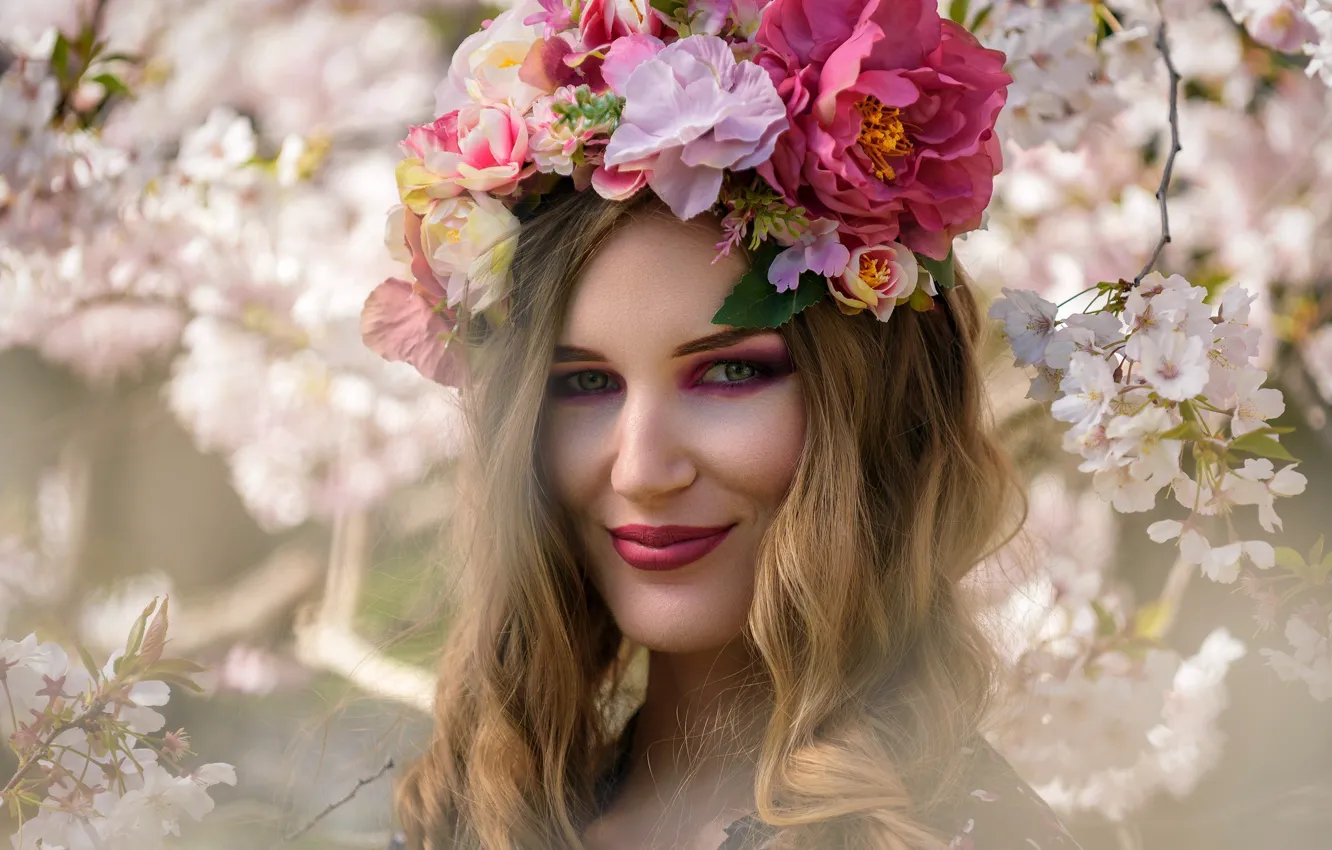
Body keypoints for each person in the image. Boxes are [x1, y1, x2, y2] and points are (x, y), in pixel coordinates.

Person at [363, 2, 1086, 847]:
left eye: (729, 372)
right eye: (584, 383)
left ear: (875, 411)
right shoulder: (476, 819)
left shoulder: (964, 835)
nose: (640, 468)